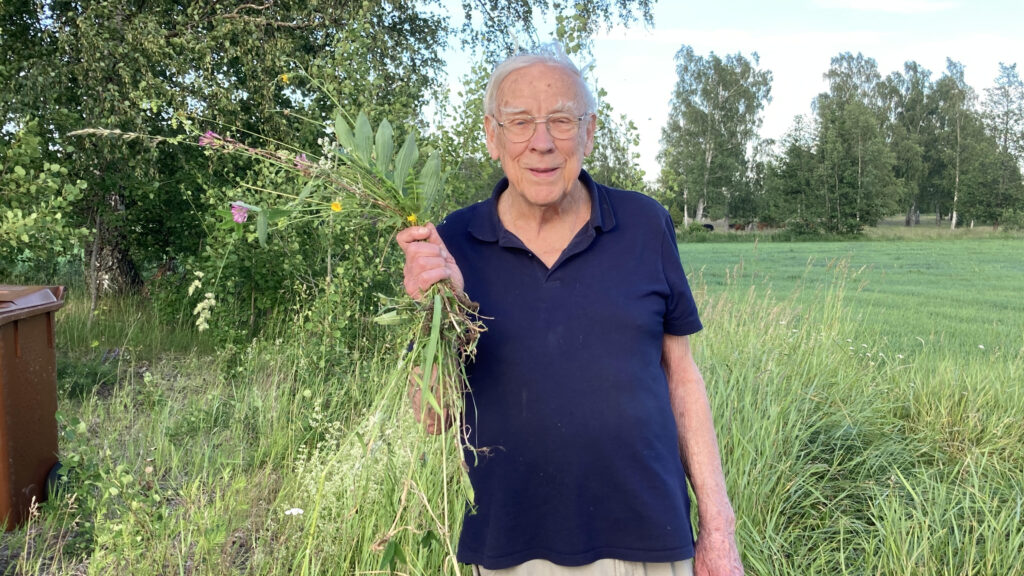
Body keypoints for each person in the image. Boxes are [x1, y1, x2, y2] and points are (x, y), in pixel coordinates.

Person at [397, 44, 743, 576]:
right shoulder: (451, 245)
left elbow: (683, 379)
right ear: (492, 135)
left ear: (590, 131)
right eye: (519, 122)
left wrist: (718, 530)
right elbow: (434, 418)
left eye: (561, 119)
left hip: (650, 539)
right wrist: (437, 313)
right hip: (514, 546)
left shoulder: (645, 224)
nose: (542, 142)